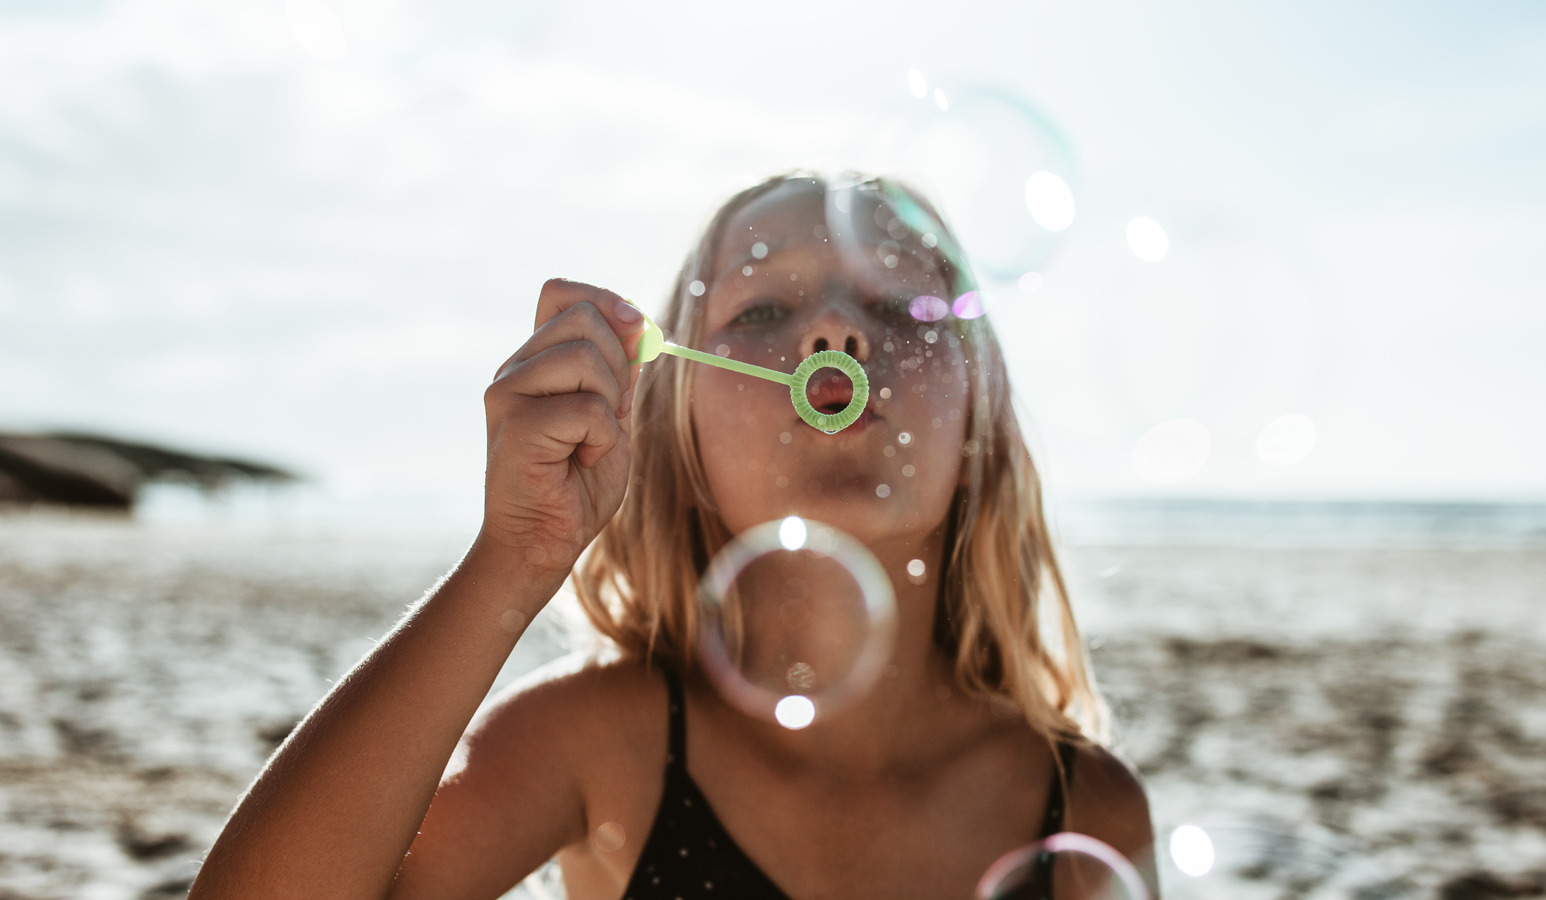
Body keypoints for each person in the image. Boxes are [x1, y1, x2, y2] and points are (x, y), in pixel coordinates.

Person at [191, 173, 1157, 900]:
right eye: (765, 308)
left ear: (980, 416)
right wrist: (513, 560)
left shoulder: (1088, 808)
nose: (834, 332)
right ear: (677, 428)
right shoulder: (597, 742)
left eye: (903, 304)